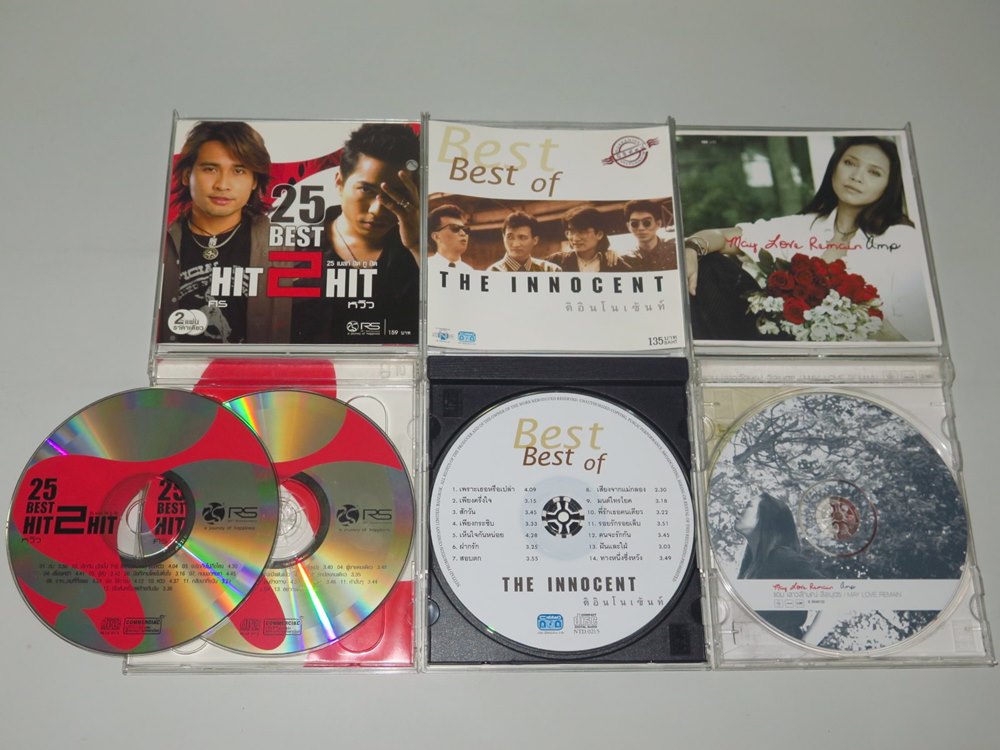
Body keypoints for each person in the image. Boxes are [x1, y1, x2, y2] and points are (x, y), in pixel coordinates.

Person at [684, 136, 932, 341]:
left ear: (889, 185)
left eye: (874, 172)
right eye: (849, 163)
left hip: (860, 360)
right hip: (782, 348)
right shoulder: (801, 227)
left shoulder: (903, 240)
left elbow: (916, 339)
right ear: (834, 167)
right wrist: (692, 247)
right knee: (709, 264)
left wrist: (850, 319)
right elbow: (723, 237)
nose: (857, 176)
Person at [159, 120, 290, 344]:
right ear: (186, 175)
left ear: (254, 181)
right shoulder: (162, 243)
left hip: (255, 367)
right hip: (176, 366)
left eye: (238, 171)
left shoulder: (283, 245)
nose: (222, 184)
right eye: (210, 169)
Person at [292, 123, 420, 342]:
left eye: (395, 195)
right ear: (340, 183)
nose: (377, 210)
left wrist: (417, 246)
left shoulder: (424, 253)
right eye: (366, 190)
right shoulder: (292, 250)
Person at [736, 493, 823, 642]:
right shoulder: (750, 565)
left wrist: (804, 648)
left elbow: (837, 600)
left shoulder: (782, 557)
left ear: (766, 517)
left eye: (748, 506)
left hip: (780, 652)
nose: (739, 511)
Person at [548, 206, 632, 272]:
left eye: (582, 231)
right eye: (571, 231)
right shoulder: (555, 261)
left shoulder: (616, 265)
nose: (575, 238)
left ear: (599, 234)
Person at [488, 211, 560, 272]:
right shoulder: (492, 272)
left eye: (522, 237)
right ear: (503, 237)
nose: (515, 244)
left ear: (535, 240)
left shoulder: (551, 271)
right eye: (510, 237)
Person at [621, 199, 677, 271]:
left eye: (647, 223)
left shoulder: (675, 249)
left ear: (658, 224)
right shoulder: (626, 260)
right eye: (634, 223)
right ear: (628, 226)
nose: (641, 228)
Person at [427, 204, 473, 272]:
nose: (463, 233)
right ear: (436, 237)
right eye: (455, 228)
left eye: (465, 229)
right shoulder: (426, 267)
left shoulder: (469, 271)